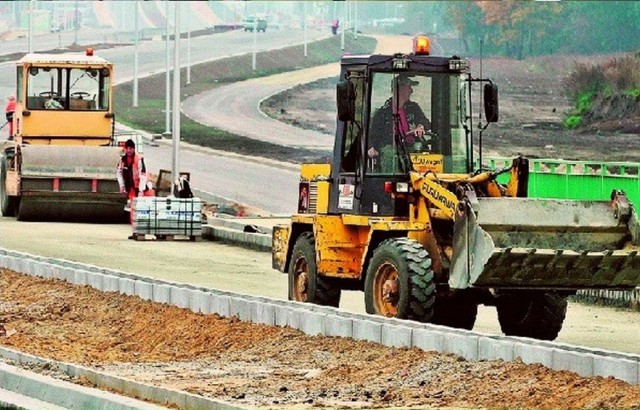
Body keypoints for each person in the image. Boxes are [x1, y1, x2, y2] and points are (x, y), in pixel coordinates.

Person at [368, 75, 431, 161]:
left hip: (412, 151)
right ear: (399, 89)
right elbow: (372, 136)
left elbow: (425, 121)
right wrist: (371, 148)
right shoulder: (382, 113)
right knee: (388, 152)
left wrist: (421, 126)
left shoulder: (413, 108)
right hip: (392, 155)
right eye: (409, 88)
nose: (411, 91)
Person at [116, 139, 153, 230]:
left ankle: (149, 228)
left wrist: (141, 190)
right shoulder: (123, 160)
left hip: (145, 189)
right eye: (127, 148)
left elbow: (143, 175)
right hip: (132, 188)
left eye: (131, 148)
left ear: (134, 149)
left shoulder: (139, 159)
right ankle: (136, 230)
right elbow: (119, 173)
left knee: (148, 208)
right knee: (134, 210)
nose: (129, 150)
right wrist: (122, 186)